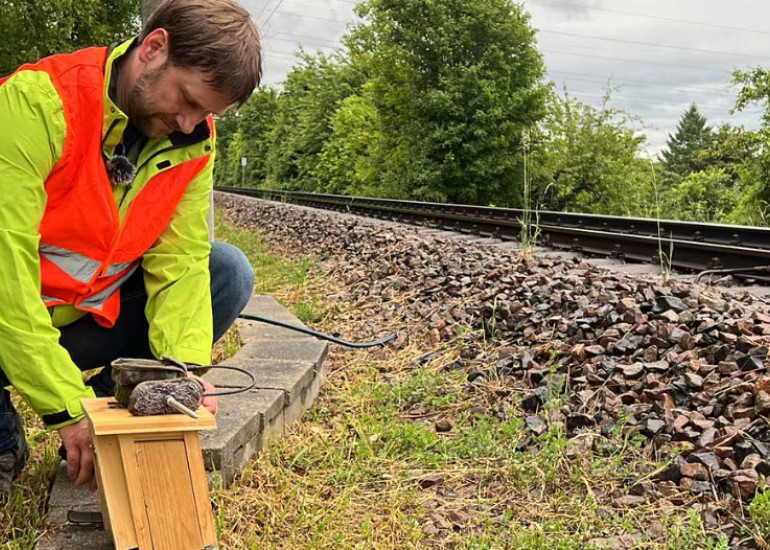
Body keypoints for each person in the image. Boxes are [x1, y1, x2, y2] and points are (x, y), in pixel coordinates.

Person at [0, 0, 261, 495]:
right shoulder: (38, 104)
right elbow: (5, 276)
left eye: (206, 112)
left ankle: (112, 407)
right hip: (9, 318)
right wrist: (66, 407)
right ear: (154, 48)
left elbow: (180, 263)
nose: (190, 123)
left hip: (84, 321)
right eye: (186, 99)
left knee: (226, 271)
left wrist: (182, 373)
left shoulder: (194, 138)